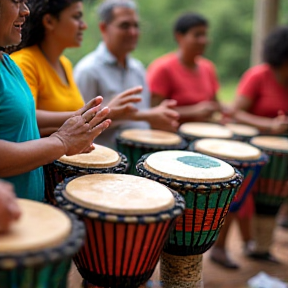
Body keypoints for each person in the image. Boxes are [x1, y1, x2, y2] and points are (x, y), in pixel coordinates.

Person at [0, 0, 111, 202]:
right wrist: (62, 141)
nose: (25, 11)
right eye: (16, 1)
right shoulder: (22, 61)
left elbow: (22, 123)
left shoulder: (8, 63)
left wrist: (79, 125)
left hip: (30, 213)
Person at [210, 25, 288, 269]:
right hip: (246, 150)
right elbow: (234, 113)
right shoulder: (258, 76)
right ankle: (220, 249)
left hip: (276, 154)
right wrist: (269, 125)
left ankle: (257, 246)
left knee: (266, 205)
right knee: (238, 201)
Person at [11, 0, 142, 137]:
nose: (83, 26)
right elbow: (24, 116)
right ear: (49, 21)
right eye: (76, 17)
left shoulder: (64, 64)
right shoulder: (24, 62)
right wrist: (91, 114)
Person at [74, 0, 179, 148]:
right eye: (125, 26)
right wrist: (147, 116)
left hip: (139, 156)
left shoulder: (138, 69)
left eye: (136, 25)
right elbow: (79, 126)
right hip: (104, 162)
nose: (133, 32)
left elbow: (143, 116)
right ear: (104, 28)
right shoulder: (88, 70)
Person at [147, 12, 220, 124]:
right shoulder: (163, 68)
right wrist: (192, 111)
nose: (203, 40)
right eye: (197, 35)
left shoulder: (208, 68)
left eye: (205, 35)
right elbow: (151, 110)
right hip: (172, 134)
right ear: (179, 37)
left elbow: (216, 104)